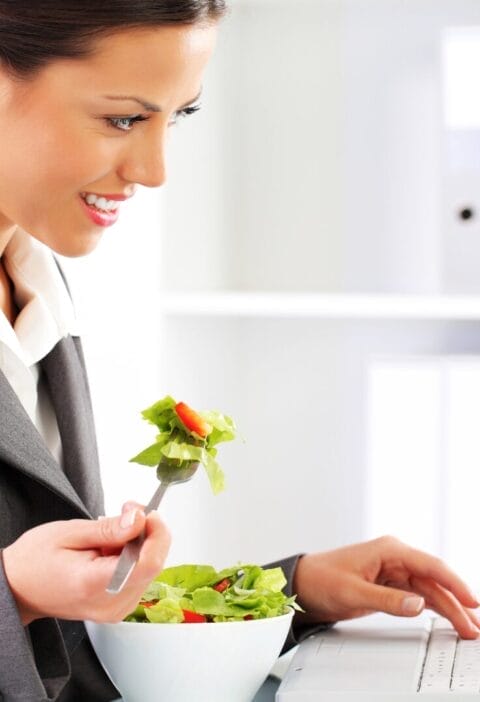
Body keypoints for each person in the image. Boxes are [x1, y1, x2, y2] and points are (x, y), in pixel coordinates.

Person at [0, 2, 478, 701]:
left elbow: (64, 649)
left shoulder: (36, 285)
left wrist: (283, 594)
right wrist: (14, 593)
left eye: (179, 117)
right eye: (124, 119)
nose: (156, 170)